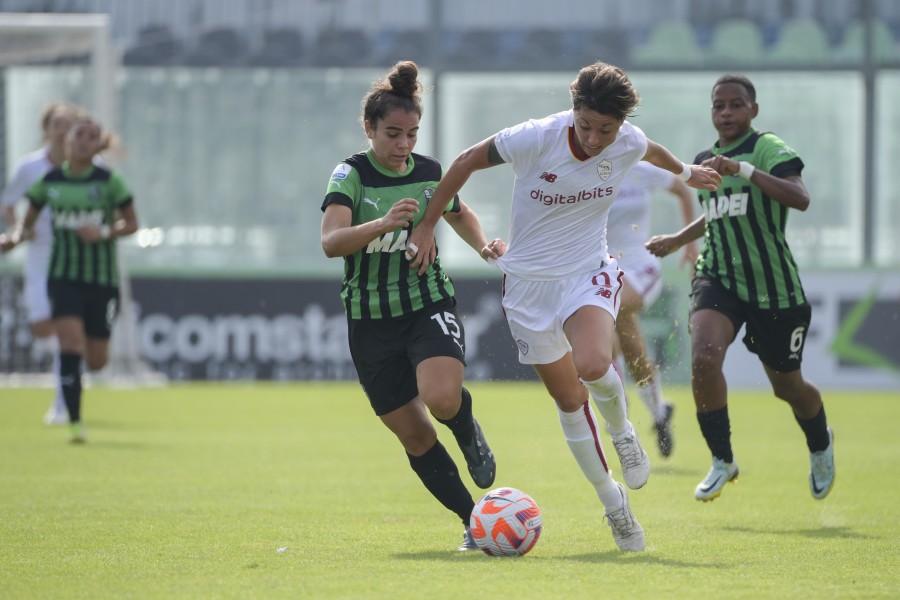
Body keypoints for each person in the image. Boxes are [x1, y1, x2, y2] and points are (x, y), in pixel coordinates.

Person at [408, 61, 721, 551]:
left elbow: (652, 150)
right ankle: (614, 505)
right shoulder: (535, 137)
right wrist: (428, 224)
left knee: (595, 364)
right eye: (587, 126)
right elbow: (467, 159)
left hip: (588, 271)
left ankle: (623, 434)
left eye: (607, 130)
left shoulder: (627, 141)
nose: (596, 139)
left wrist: (686, 171)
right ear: (573, 109)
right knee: (570, 401)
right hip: (529, 287)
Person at [319, 61, 505, 552]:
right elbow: (332, 242)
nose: (404, 145)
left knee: (442, 398)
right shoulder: (350, 175)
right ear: (369, 129)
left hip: (426, 302)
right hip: (369, 322)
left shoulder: (429, 173)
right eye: (393, 134)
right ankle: (474, 521)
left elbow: (458, 214)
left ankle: (468, 432)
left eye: (412, 134)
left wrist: (482, 246)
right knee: (417, 437)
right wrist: (381, 225)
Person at [645, 74, 835, 502]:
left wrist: (744, 169)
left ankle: (820, 442)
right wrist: (677, 240)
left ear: (753, 110)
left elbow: (800, 198)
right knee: (705, 357)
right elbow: (719, 211)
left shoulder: (767, 148)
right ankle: (721, 459)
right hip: (719, 276)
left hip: (773, 287)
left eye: (735, 105)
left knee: (787, 388)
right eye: (718, 106)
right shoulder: (704, 159)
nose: (726, 113)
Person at [0, 114, 139, 444]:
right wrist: (13, 238)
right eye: (77, 135)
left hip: (102, 280)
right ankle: (74, 422)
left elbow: (132, 223)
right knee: (69, 343)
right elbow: (27, 221)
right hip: (62, 276)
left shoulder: (109, 181)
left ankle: (73, 398)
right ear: (66, 141)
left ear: (96, 146)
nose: (81, 141)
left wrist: (104, 231)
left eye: (90, 137)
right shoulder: (48, 181)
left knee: (97, 359)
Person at [607, 162, 698, 458]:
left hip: (641, 266)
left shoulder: (640, 167)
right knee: (632, 350)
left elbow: (683, 191)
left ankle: (619, 409)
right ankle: (659, 411)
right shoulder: (586, 170)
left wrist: (689, 245)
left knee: (602, 310)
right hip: (605, 272)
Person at [0, 102, 77, 425]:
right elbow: (8, 203)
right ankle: (69, 367)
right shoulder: (30, 168)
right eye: (58, 125)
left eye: (69, 125)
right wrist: (20, 231)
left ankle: (63, 402)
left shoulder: (90, 166)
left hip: (74, 259)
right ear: (46, 131)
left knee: (65, 332)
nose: (64, 131)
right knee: (44, 327)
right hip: (40, 256)